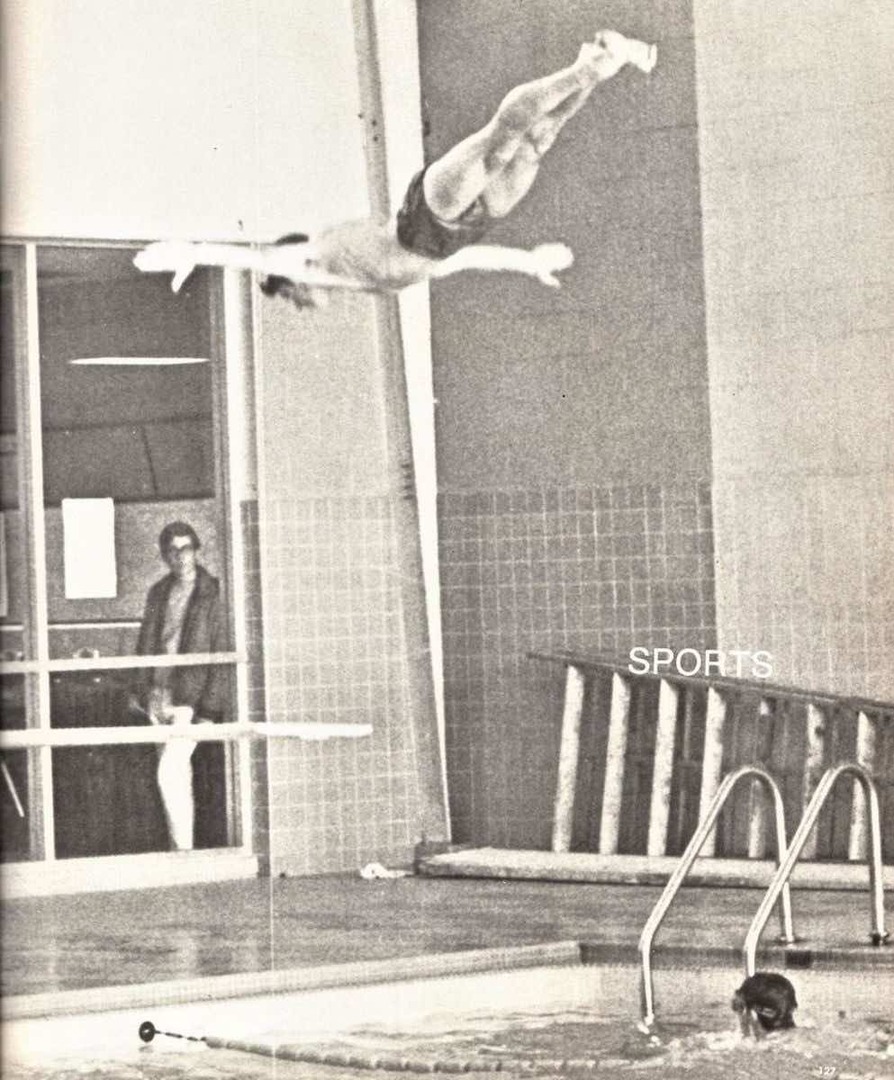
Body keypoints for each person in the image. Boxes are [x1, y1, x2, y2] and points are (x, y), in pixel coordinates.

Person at [134, 30, 656, 308]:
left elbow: (262, 258)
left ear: (287, 281)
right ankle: (600, 65)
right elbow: (455, 264)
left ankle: (583, 67)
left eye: (292, 300)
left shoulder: (317, 259)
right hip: (457, 237)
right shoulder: (362, 283)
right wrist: (527, 262)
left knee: (502, 142)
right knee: (537, 143)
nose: (302, 306)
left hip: (424, 216)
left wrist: (194, 252)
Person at [132, 522, 226, 851]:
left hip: (190, 698)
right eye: (173, 550)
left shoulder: (213, 592)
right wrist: (141, 689)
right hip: (159, 693)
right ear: (164, 555)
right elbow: (146, 641)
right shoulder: (159, 592)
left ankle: (183, 853)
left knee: (169, 774)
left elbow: (221, 651)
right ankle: (181, 854)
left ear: (196, 549)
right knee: (177, 779)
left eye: (186, 548)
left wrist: (210, 710)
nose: (181, 556)